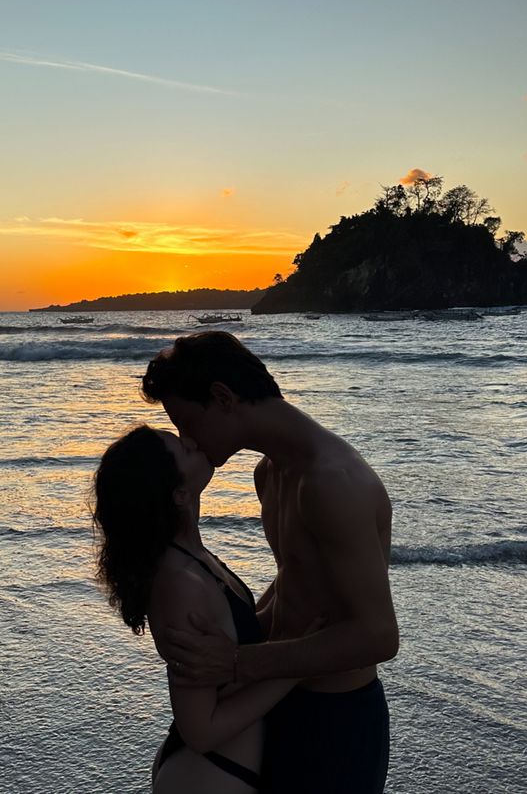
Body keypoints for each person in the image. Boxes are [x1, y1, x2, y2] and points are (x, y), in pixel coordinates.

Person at [141, 331, 398, 794]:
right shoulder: (271, 474)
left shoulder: (331, 483)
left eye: (185, 422)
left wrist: (239, 661)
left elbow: (378, 635)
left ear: (222, 398)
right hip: (277, 699)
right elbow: (296, 582)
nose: (188, 440)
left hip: (336, 721)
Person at [93, 424, 299, 793]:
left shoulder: (193, 558)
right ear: (179, 495)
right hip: (209, 774)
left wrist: (297, 576)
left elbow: (241, 636)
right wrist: (298, 667)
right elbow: (201, 730)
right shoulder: (179, 583)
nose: (191, 440)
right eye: (182, 449)